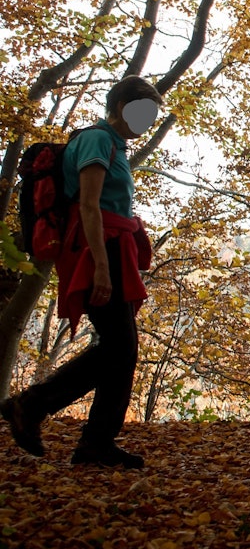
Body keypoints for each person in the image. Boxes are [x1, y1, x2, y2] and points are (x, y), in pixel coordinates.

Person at [0, 75, 158, 468]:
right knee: (120, 346)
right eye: (144, 111)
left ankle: (93, 441)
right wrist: (101, 268)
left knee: (120, 349)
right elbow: (88, 206)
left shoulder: (115, 146)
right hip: (94, 249)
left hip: (110, 246)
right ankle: (34, 407)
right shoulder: (96, 140)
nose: (149, 121)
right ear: (122, 106)